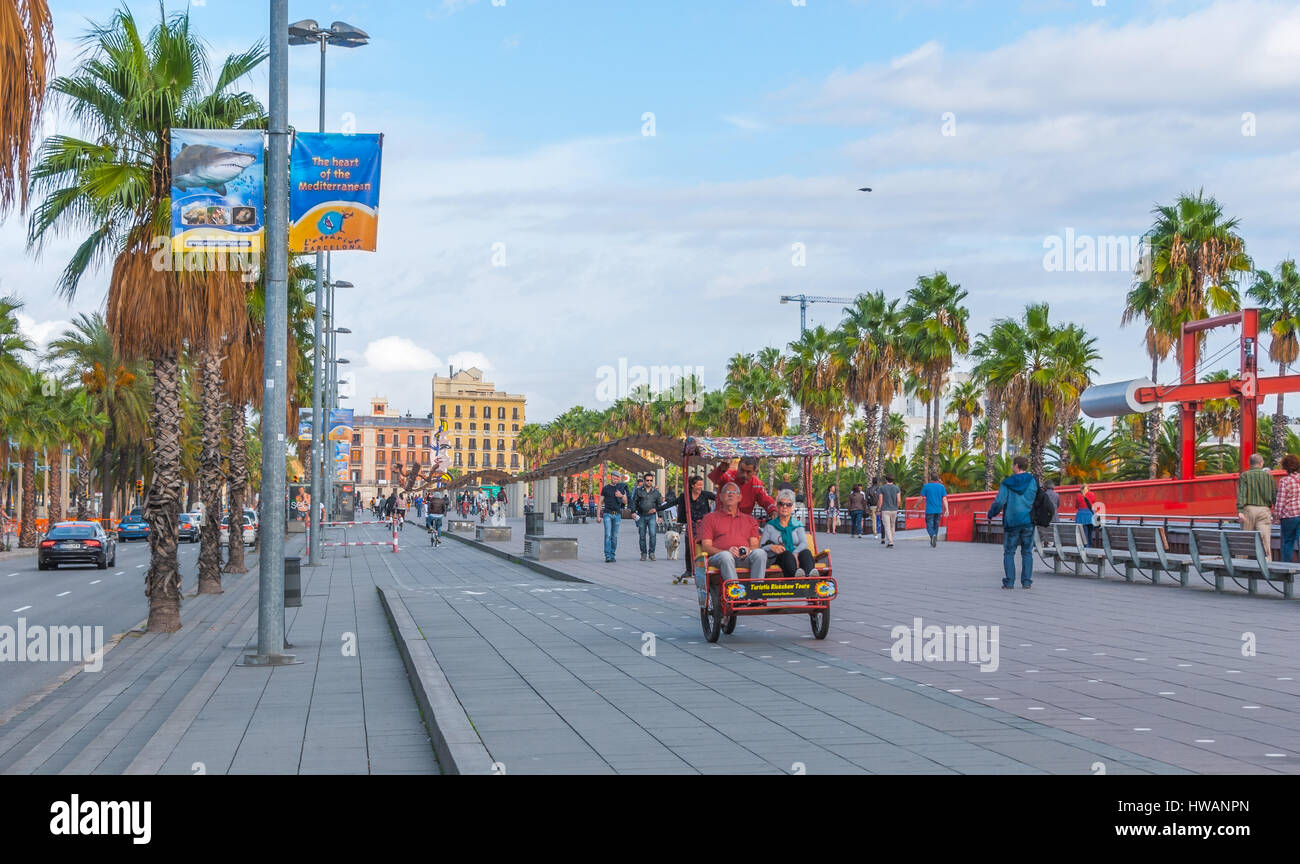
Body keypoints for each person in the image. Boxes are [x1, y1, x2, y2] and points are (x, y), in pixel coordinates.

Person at [698, 482, 767, 582]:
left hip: (744, 558)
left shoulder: (749, 520)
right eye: (727, 492)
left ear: (740, 497)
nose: (730, 494)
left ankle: (755, 591)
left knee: (760, 553)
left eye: (734, 492)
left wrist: (748, 550)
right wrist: (726, 552)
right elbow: (706, 546)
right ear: (721, 497)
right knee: (726, 556)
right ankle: (735, 593)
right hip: (719, 558)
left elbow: (754, 545)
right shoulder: (710, 518)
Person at [988, 455, 1038, 589]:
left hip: (1012, 522)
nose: (1012, 467)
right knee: (1027, 552)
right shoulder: (1033, 481)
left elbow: (999, 501)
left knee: (1009, 552)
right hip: (1028, 521)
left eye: (1012, 464)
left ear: (1016, 466)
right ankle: (1026, 582)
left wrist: (991, 513)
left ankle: (1009, 582)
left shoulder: (1007, 483)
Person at [660, 475, 715, 582]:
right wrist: (657, 509)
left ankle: (706, 568)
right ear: (692, 485)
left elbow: (719, 498)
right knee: (689, 547)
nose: (700, 487)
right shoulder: (685, 496)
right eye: (698, 485)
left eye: (701, 485)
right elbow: (672, 503)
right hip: (691, 525)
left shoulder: (705, 494)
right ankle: (689, 570)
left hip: (704, 525)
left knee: (705, 546)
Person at [761, 488, 820, 578]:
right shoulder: (770, 526)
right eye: (781, 504)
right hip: (778, 556)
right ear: (777, 506)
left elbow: (804, 543)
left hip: (796, 554)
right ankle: (796, 577)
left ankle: (810, 577)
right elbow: (762, 546)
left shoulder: (797, 524)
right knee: (787, 554)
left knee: (806, 553)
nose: (784, 507)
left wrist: (795, 553)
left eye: (788, 504)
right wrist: (772, 547)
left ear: (792, 508)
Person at [707, 456, 777, 517]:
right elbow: (714, 478)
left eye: (748, 472)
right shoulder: (728, 475)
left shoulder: (757, 484)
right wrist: (720, 470)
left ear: (754, 471)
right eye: (742, 470)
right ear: (738, 467)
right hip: (722, 518)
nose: (744, 475)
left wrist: (773, 511)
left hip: (743, 522)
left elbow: (766, 500)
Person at [1237, 452, 1276, 549]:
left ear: (1250, 463)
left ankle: (1242, 563)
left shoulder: (1244, 476)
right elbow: (1273, 495)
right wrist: (1276, 511)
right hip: (1264, 510)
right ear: (1261, 463)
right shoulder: (1268, 476)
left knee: (1245, 543)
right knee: (1265, 543)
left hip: (1248, 510)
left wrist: (1240, 511)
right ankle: (1267, 562)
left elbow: (1242, 494)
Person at [598, 473, 631, 563]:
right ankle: (607, 556)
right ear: (611, 477)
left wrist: (621, 496)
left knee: (614, 536)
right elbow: (600, 502)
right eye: (614, 477)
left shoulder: (621, 488)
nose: (616, 478)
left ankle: (613, 555)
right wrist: (598, 516)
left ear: (619, 478)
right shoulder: (606, 488)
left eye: (617, 477)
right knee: (608, 535)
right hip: (607, 514)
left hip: (617, 515)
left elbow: (626, 502)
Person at [1273, 454, 1300, 562]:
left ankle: (1286, 567)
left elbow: (1280, 501)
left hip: (1289, 516)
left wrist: (1277, 516)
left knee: (1287, 542)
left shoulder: (1285, 481)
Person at [631, 472, 664, 561]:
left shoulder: (656, 492)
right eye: (647, 480)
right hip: (641, 515)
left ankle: (652, 553)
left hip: (652, 516)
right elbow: (634, 502)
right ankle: (643, 553)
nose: (649, 482)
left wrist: (660, 516)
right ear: (644, 481)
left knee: (653, 534)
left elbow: (659, 504)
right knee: (642, 536)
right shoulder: (639, 491)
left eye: (651, 480)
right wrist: (633, 512)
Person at [919, 472, 948, 548]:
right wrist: (947, 509)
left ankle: (933, 535)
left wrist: (916, 505)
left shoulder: (926, 486)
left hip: (929, 510)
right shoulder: (942, 487)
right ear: (937, 478)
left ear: (930, 478)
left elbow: (921, 498)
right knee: (936, 525)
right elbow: (944, 499)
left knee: (929, 525)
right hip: (938, 510)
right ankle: (933, 539)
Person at [878, 475, 902, 548]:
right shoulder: (897, 488)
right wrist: (896, 507)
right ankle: (891, 540)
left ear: (886, 480)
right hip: (894, 509)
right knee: (892, 525)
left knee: (887, 526)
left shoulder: (882, 488)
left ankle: (890, 542)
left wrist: (879, 509)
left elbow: (880, 500)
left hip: (885, 509)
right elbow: (899, 500)